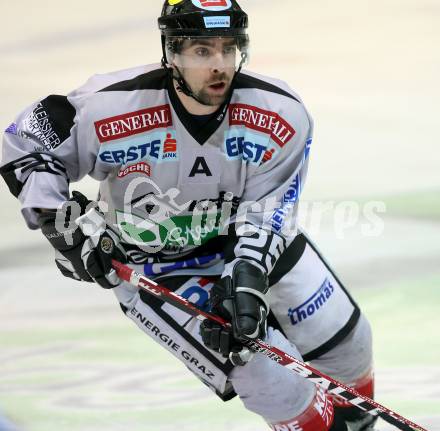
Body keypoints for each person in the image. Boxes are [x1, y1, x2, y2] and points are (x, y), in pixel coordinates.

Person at [0, 1, 376, 429]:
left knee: (350, 345)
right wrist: (59, 222)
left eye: (228, 48)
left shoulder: (279, 113)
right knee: (277, 386)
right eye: (201, 51)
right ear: (171, 53)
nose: (219, 65)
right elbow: (29, 137)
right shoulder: (112, 107)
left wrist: (248, 276)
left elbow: (269, 211)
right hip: (157, 268)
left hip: (242, 242)